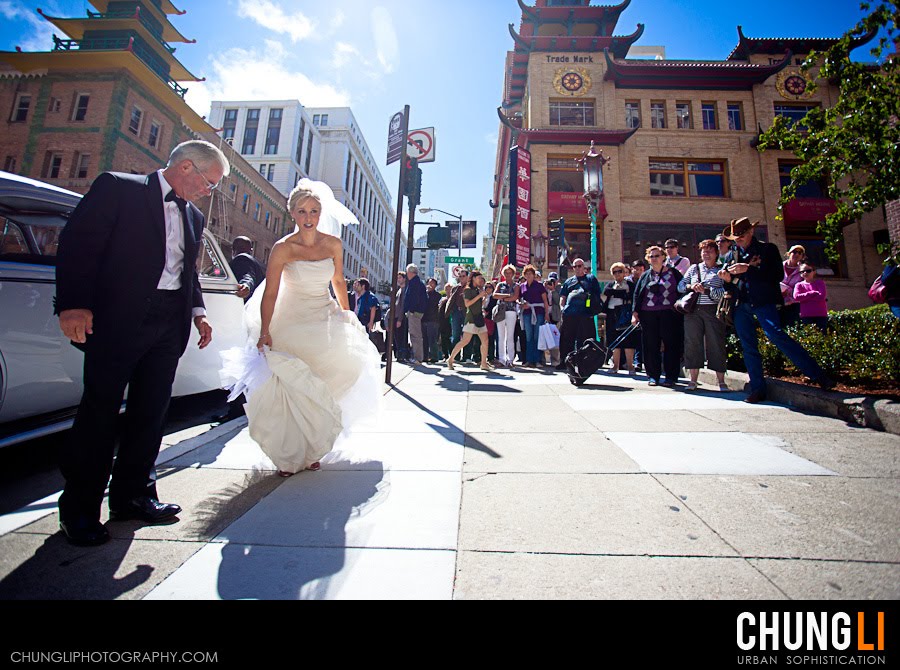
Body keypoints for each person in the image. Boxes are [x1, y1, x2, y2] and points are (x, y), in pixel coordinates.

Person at [55, 140, 227, 546]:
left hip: (169, 323)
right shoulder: (118, 187)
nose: (209, 191)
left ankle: (133, 496)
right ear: (186, 167)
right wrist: (74, 304)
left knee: (151, 413)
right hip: (117, 319)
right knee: (100, 413)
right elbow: (78, 245)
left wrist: (198, 312)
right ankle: (79, 509)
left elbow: (187, 269)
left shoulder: (195, 216)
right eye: (209, 182)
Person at [230, 179, 381, 477]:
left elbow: (338, 281)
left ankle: (313, 448)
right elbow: (271, 291)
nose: (309, 217)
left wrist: (347, 314)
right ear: (293, 215)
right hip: (289, 319)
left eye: (314, 211)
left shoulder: (333, 244)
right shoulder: (283, 248)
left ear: (320, 212)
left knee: (326, 380)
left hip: (323, 316)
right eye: (302, 211)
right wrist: (265, 331)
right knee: (293, 387)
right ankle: (289, 454)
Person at [718, 217, 832, 403]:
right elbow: (729, 286)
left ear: (751, 233)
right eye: (735, 238)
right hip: (741, 304)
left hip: (763, 302)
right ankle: (758, 389)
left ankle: (819, 376)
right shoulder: (731, 255)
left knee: (777, 335)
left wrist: (748, 269)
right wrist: (726, 279)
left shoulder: (767, 249)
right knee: (748, 347)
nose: (738, 240)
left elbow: (776, 276)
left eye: (741, 236)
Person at [678, 240, 729, 391]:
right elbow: (680, 286)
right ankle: (693, 380)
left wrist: (707, 291)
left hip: (713, 310)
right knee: (692, 343)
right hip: (693, 311)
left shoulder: (722, 270)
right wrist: (691, 286)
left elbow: (725, 292)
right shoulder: (694, 268)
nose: (706, 254)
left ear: (716, 253)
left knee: (716, 343)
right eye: (704, 251)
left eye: (710, 251)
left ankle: (721, 381)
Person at [632, 245, 684, 387]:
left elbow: (684, 289)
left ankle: (671, 376)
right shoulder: (645, 275)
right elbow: (637, 295)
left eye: (657, 256)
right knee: (650, 345)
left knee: (671, 344)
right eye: (651, 256)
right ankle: (653, 376)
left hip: (670, 313)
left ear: (663, 257)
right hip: (648, 313)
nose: (654, 259)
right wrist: (635, 314)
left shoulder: (674, 273)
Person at [557, 258, 602, 369]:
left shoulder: (591, 279)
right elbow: (563, 297)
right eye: (575, 266)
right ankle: (565, 361)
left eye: (579, 266)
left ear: (584, 267)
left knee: (585, 340)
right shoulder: (569, 281)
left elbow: (597, 295)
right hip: (570, 314)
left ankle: (585, 362)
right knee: (566, 339)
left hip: (585, 315)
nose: (577, 268)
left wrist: (593, 309)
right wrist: (562, 308)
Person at [447, 271, 493, 371]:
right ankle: (450, 359)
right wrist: (479, 296)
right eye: (479, 278)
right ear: (473, 278)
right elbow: (467, 304)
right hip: (471, 319)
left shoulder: (477, 289)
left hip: (479, 318)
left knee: (485, 340)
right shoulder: (467, 290)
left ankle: (484, 363)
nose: (481, 280)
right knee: (465, 341)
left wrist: (483, 298)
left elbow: (478, 305)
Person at [601, 262, 637, 374]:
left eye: (620, 271)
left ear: (624, 272)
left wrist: (617, 294)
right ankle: (615, 366)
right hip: (612, 314)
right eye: (615, 272)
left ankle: (630, 366)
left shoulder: (630, 284)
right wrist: (620, 293)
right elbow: (605, 294)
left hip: (625, 313)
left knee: (628, 341)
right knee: (613, 340)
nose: (617, 274)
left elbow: (633, 296)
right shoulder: (610, 284)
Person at [518, 264, 551, 367]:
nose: (528, 276)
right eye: (526, 274)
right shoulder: (522, 286)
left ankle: (537, 360)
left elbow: (545, 300)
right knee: (528, 337)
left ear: (533, 275)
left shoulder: (539, 285)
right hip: (527, 313)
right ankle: (529, 360)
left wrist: (546, 313)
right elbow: (518, 299)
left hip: (539, 312)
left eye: (530, 274)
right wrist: (521, 304)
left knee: (537, 336)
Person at [492, 264, 520, 367]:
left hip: (511, 311)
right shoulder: (500, 285)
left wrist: (502, 297)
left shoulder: (516, 285)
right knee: (501, 336)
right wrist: (507, 296)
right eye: (506, 273)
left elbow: (515, 297)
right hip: (500, 311)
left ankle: (510, 359)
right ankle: (501, 359)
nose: (508, 275)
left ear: (513, 274)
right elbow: (495, 295)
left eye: (510, 273)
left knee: (510, 336)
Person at [793, 262, 829, 331]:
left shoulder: (820, 283)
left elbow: (821, 296)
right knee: (809, 336)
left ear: (814, 272)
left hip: (820, 315)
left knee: (822, 336)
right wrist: (812, 293)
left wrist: (804, 298)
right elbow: (797, 297)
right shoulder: (799, 285)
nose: (805, 273)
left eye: (808, 271)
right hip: (806, 316)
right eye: (802, 271)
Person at [403, 263, 427, 365]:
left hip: (414, 312)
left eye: (407, 272)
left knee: (415, 335)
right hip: (415, 312)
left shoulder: (415, 283)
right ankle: (417, 357)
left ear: (410, 272)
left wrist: (411, 310)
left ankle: (418, 358)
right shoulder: (416, 282)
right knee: (414, 335)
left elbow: (414, 298)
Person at [230, 236, 265, 302]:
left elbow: (248, 276)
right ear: (251, 250)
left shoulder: (242, 259)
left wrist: (246, 285)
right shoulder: (255, 264)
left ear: (233, 249)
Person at [781, 244, 805, 328]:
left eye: (800, 253)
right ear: (788, 254)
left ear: (802, 256)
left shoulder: (803, 271)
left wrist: (789, 291)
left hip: (794, 305)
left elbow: (804, 287)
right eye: (794, 252)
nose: (797, 254)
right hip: (778, 303)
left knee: (793, 328)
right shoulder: (778, 267)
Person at [543, 276, 562, 368]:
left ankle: (555, 360)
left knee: (554, 339)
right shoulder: (544, 289)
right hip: (545, 315)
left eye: (553, 281)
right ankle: (543, 359)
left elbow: (558, 301)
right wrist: (545, 288)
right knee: (544, 339)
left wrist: (553, 289)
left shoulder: (559, 289)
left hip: (555, 316)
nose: (550, 283)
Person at [422, 277, 441, 363]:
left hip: (433, 320)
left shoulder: (437, 295)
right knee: (424, 339)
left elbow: (433, 303)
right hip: (423, 319)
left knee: (432, 339)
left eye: (432, 283)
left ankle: (434, 356)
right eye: (429, 283)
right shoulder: (423, 294)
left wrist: (429, 293)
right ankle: (425, 356)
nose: (430, 285)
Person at [392, 272, 410, 363]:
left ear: (404, 279)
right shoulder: (399, 290)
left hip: (401, 318)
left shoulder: (404, 290)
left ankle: (402, 355)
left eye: (400, 278)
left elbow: (403, 306)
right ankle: (399, 355)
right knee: (397, 338)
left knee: (401, 338)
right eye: (397, 278)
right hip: (396, 317)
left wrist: (399, 319)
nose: (398, 279)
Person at [437, 282, 454, 360]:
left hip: (451, 321)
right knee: (443, 338)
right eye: (447, 289)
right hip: (443, 322)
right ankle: (445, 355)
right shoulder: (442, 300)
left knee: (450, 338)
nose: (448, 291)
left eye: (450, 289)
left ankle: (453, 355)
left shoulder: (454, 299)